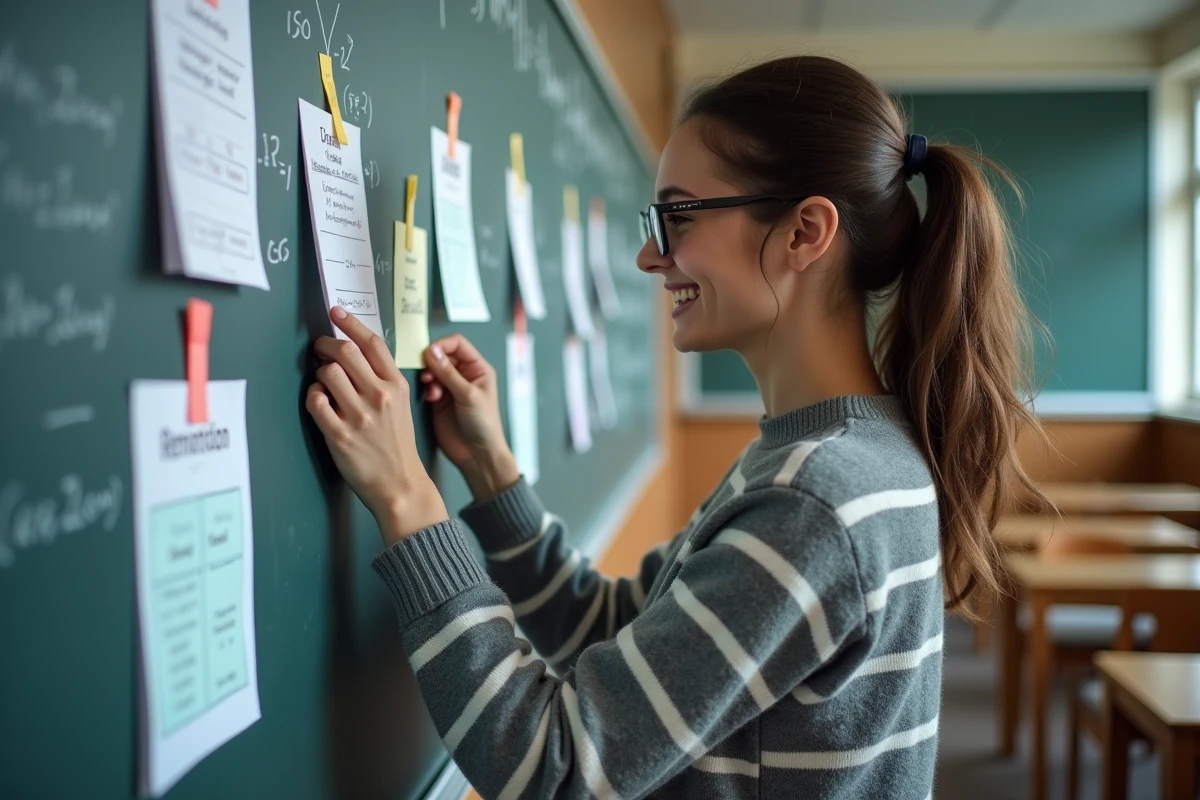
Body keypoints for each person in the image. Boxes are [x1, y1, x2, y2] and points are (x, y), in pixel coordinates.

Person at [305, 55, 1048, 799]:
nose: (649, 255)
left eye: (679, 215)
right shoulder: (846, 456)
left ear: (804, 233)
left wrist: (407, 495)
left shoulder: (813, 501)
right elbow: (618, 626)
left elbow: (555, 769)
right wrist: (491, 472)